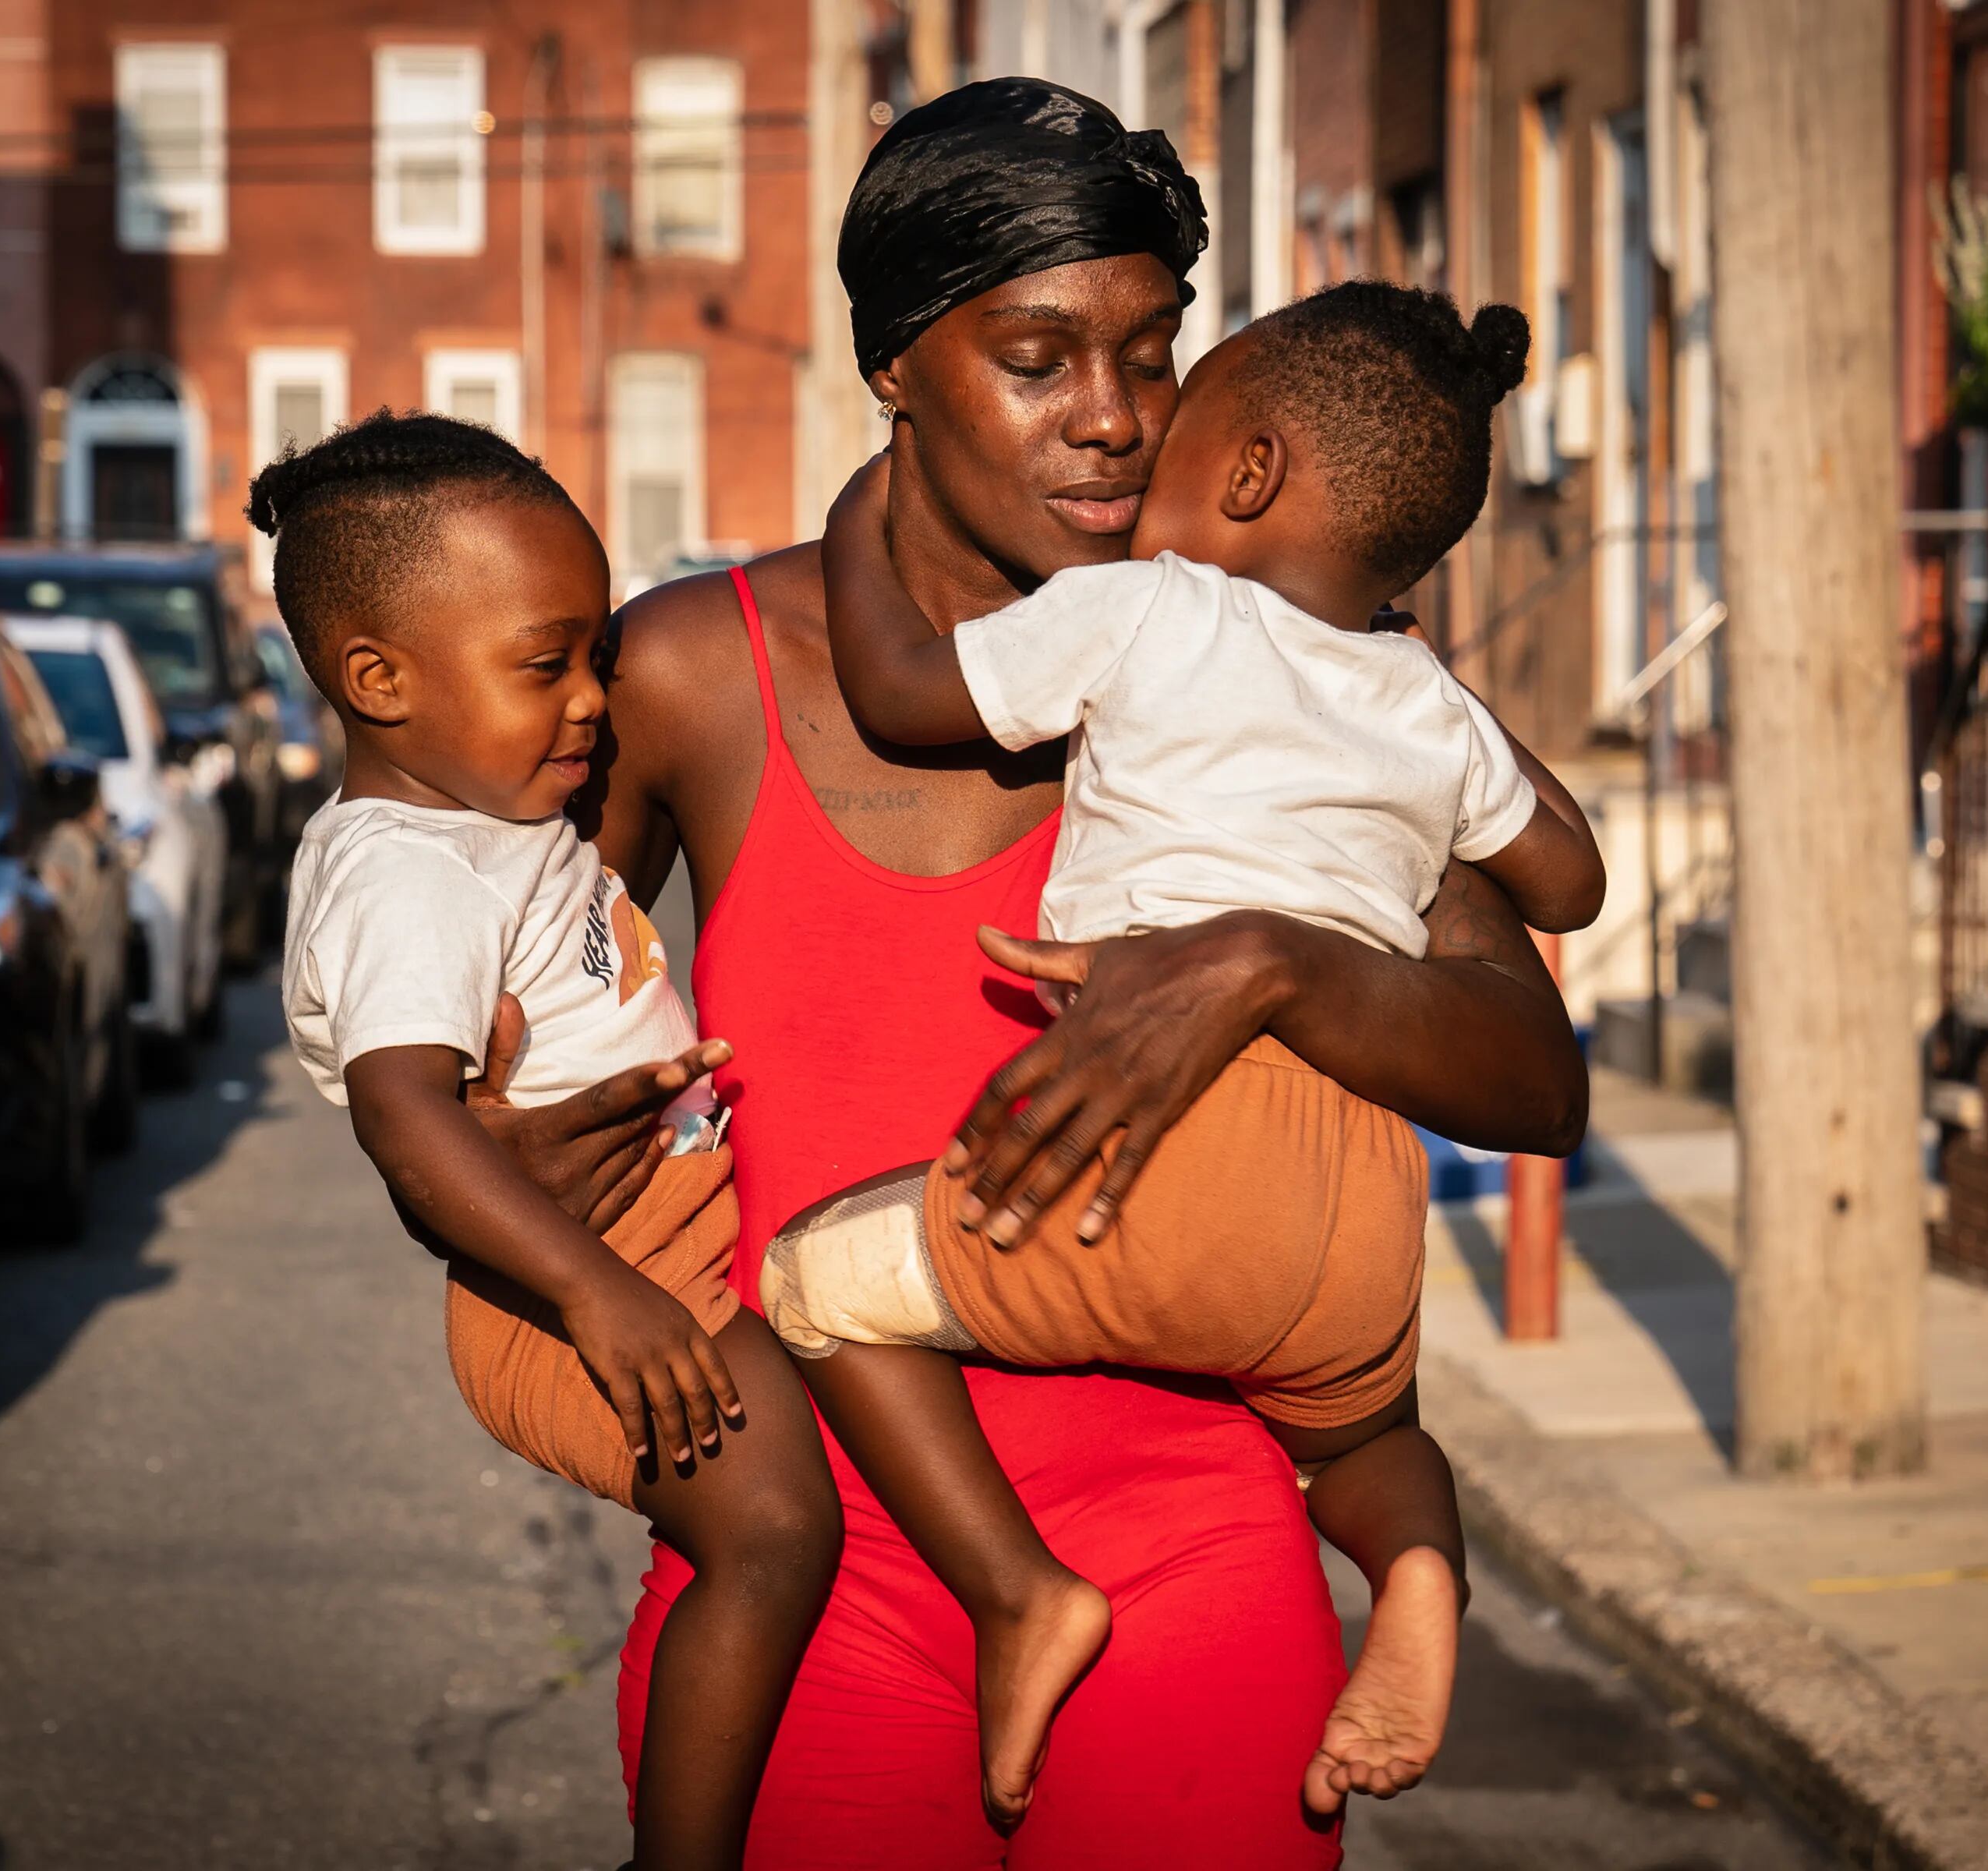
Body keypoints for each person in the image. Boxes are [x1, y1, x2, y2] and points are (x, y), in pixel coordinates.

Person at [453, 76, 1593, 1866]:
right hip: (814, 1595)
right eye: (1042, 358)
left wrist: (1271, 961)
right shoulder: (694, 672)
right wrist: (510, 1161)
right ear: (896, 365)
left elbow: (1538, 1075)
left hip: (1198, 1565)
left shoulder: (1279, 655)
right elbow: (510, 1038)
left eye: (1153, 356)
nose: (1116, 422)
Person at [762, 278, 1602, 1827]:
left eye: (1177, 405)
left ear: (1253, 470)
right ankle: (1417, 1570)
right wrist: (1405, 691)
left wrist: (864, 504)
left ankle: (1020, 1594)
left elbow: (896, 684)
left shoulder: (1152, 608)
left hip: (1162, 1162)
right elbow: (1571, 876)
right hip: (1354, 1203)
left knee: (814, 1276)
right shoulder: (1427, 701)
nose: (1132, 450)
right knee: (1362, 1434)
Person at [257, 412, 840, 1871]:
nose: (589, 703)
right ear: (376, 682)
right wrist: (598, 1292)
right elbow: (406, 1117)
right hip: (581, 1287)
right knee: (772, 1530)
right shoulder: (405, 873)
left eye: (596, 661)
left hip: (649, 1245)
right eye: (545, 665)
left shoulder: (487, 809)